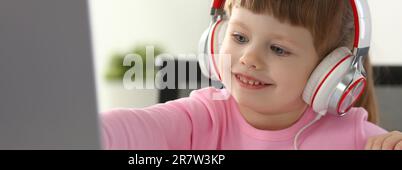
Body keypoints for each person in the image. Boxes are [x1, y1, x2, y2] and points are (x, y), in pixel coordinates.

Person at [101, 0, 402, 150]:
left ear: (329, 71)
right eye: (240, 38)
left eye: (278, 49)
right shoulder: (201, 119)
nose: (249, 59)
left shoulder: (354, 138)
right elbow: (123, 130)